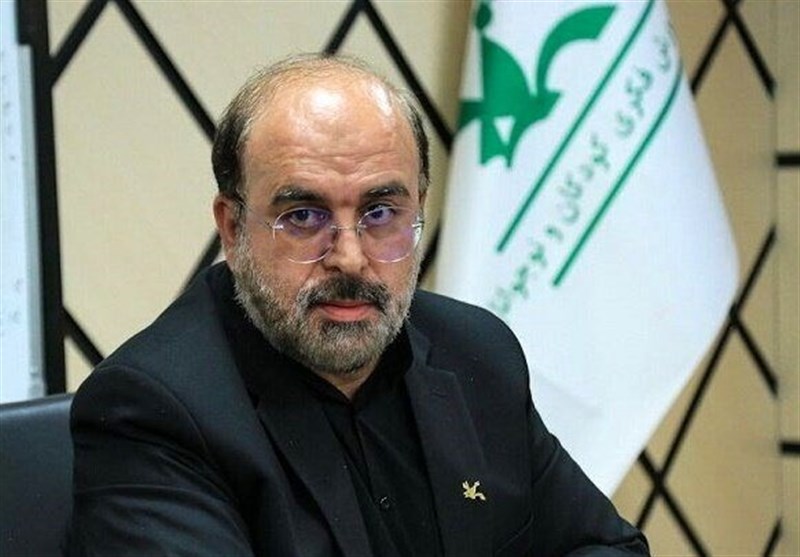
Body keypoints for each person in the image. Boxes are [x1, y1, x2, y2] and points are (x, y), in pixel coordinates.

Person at [67, 54, 649, 556]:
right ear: (233, 227)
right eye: (303, 216)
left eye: (380, 213)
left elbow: (606, 546)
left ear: (418, 209)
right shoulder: (154, 411)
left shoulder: (475, 352)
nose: (350, 258)